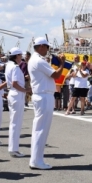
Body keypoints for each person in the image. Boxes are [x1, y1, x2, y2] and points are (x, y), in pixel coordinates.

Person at [27, 38, 64, 170]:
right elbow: (56, 75)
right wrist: (62, 64)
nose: (48, 50)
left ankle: (36, 159)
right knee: (41, 129)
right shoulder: (38, 60)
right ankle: (37, 161)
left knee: (39, 129)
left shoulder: (34, 59)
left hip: (42, 95)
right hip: (43, 96)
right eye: (47, 47)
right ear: (42, 46)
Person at [5, 47, 30, 157]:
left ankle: (13, 147)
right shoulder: (15, 67)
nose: (22, 57)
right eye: (20, 55)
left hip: (13, 94)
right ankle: (13, 149)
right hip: (17, 94)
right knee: (16, 122)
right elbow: (15, 83)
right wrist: (25, 90)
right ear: (16, 56)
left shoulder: (9, 65)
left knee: (14, 122)